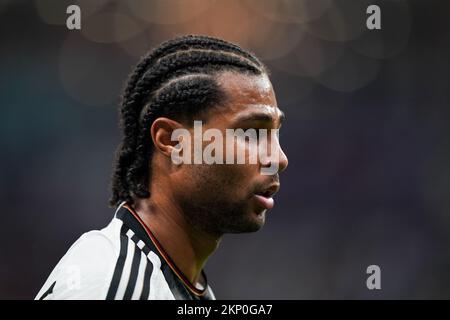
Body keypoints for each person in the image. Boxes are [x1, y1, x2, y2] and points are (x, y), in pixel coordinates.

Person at [36, 34, 288, 300]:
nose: (279, 158)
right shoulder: (108, 284)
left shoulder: (175, 282)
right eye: (251, 133)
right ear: (171, 140)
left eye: (275, 134)